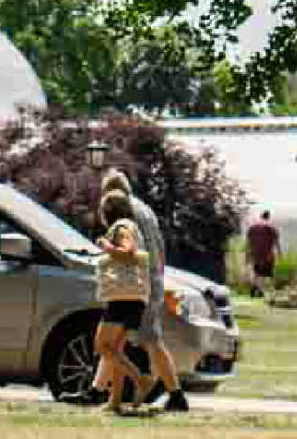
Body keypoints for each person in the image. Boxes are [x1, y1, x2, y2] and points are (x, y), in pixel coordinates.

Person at [100, 173, 190, 413]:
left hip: (140, 282)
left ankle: (175, 394)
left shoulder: (127, 214)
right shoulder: (145, 209)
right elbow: (159, 245)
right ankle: (110, 395)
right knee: (122, 342)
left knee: (150, 340)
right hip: (153, 278)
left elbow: (130, 250)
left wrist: (109, 250)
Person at [92, 211, 152, 415]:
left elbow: (128, 252)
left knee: (102, 346)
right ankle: (115, 400)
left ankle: (140, 379)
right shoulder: (128, 228)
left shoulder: (121, 228)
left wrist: (106, 247)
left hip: (121, 300)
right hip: (134, 301)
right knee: (117, 351)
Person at [245, 207, 281, 297]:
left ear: (261, 216)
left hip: (255, 254)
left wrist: (247, 255)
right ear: (268, 217)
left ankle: (255, 287)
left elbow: (248, 243)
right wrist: (279, 253)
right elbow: (276, 243)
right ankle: (260, 290)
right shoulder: (271, 229)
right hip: (267, 255)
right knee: (265, 274)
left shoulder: (252, 228)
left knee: (257, 272)